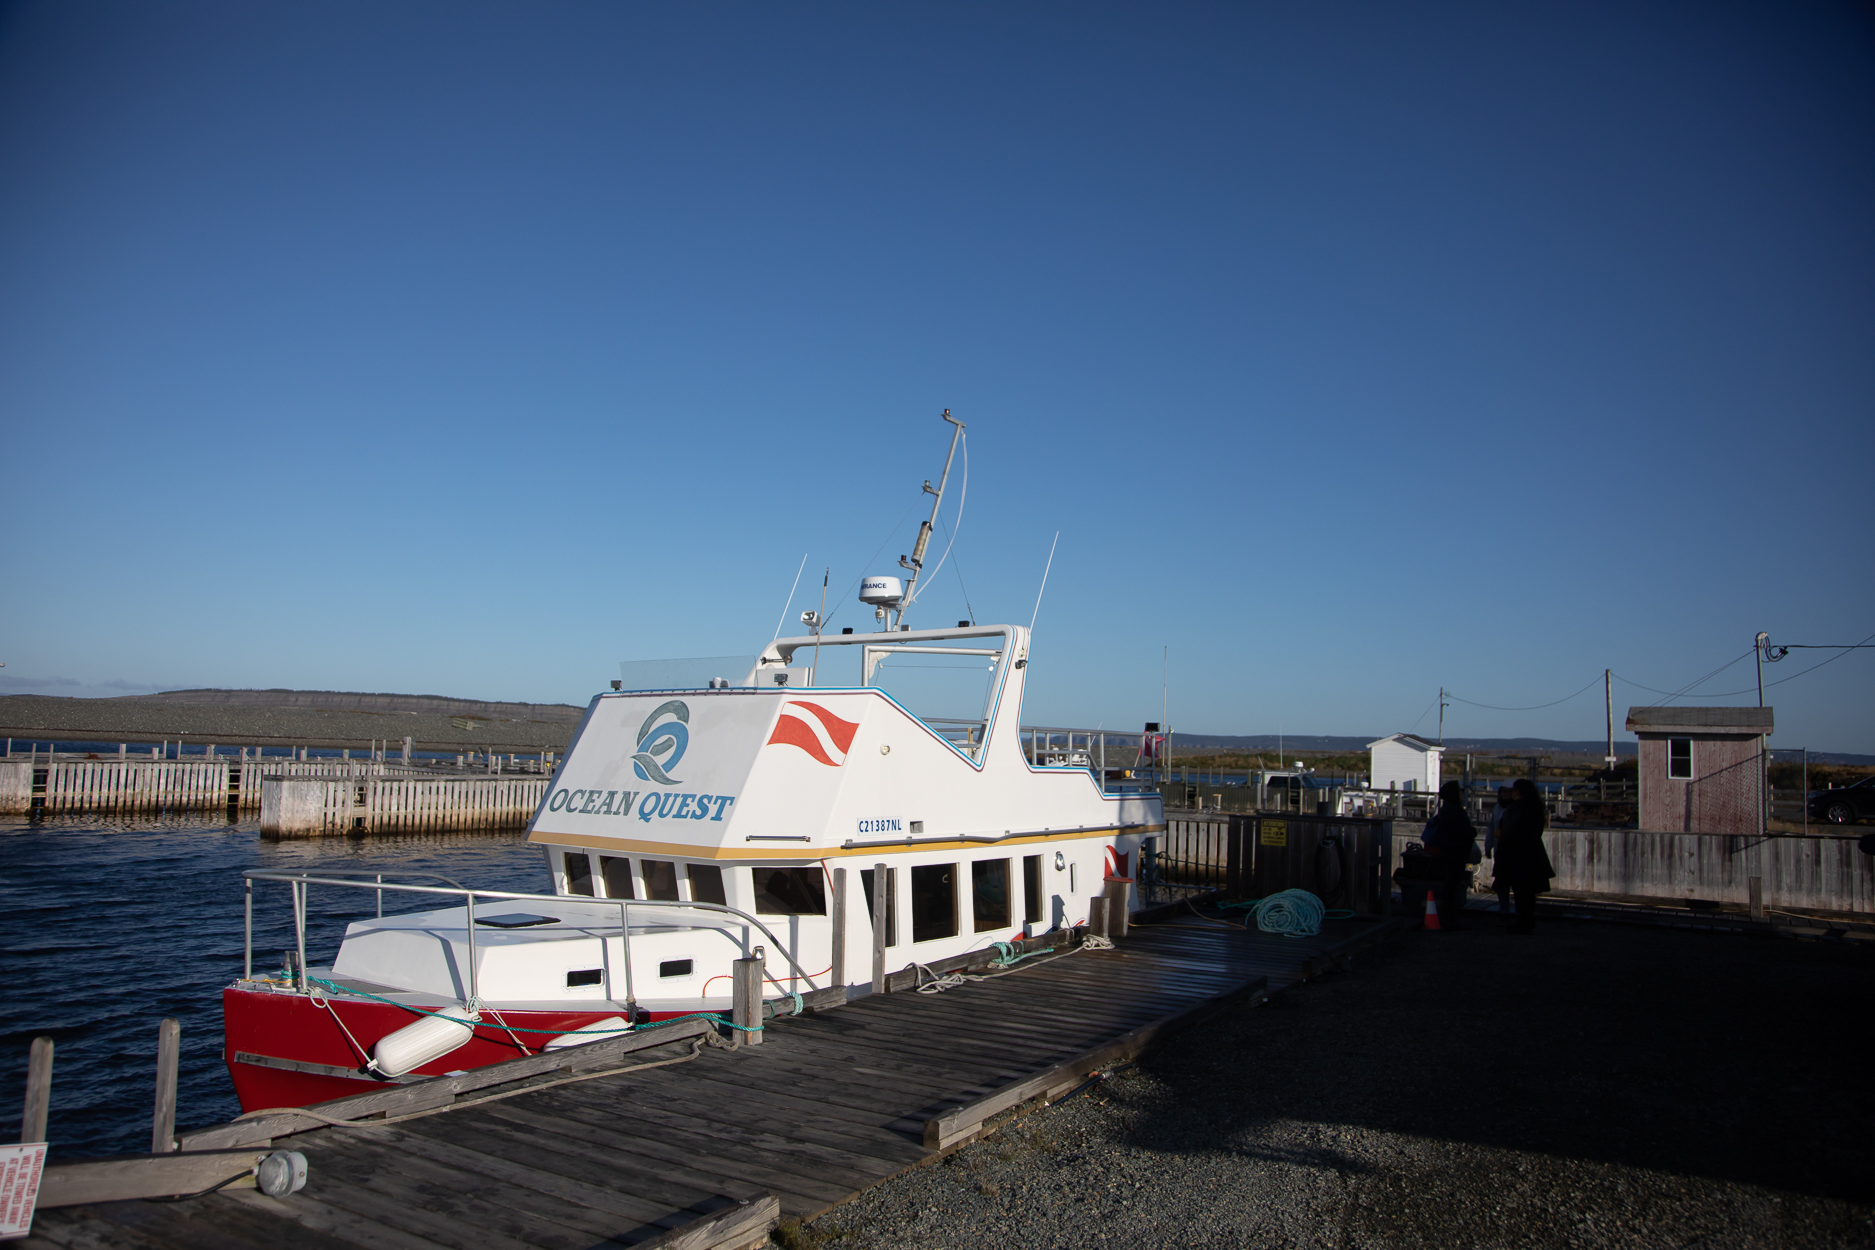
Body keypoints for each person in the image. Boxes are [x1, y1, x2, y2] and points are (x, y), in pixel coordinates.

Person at [1493, 778, 1555, 934]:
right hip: (1533, 854)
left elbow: (1507, 833)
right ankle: (1527, 920)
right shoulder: (1536, 808)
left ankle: (1522, 922)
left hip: (1515, 856)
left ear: (1517, 792)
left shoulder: (1515, 809)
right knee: (1529, 892)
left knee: (1519, 892)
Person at [1420, 780, 1477, 929]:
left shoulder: (1447, 809)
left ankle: (1449, 917)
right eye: (1460, 791)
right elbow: (1459, 832)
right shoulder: (1454, 811)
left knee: (1450, 885)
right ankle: (1449, 918)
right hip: (1454, 852)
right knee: (1451, 886)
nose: (1462, 794)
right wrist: (1472, 832)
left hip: (1450, 851)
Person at [1485, 785, 1515, 928]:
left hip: (1513, 851)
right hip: (1500, 851)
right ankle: (1504, 911)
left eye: (1507, 791)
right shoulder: (1497, 808)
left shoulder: (1516, 809)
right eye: (1502, 791)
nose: (1504, 794)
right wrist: (1488, 845)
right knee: (1502, 883)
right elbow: (1491, 827)